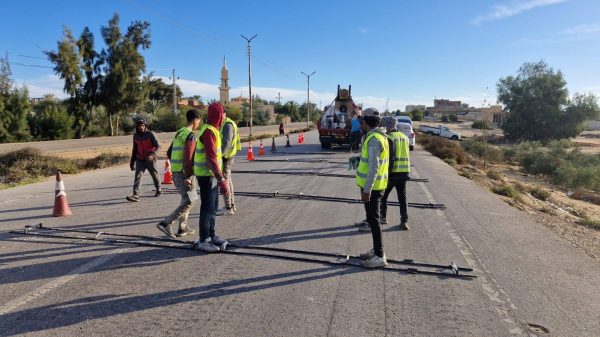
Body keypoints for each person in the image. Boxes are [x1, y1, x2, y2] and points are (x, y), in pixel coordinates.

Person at [156, 110, 202, 238]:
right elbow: (189, 158)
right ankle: (166, 223)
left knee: (185, 199)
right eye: (199, 121)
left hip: (176, 171)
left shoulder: (179, 133)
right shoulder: (190, 135)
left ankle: (182, 228)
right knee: (191, 200)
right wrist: (188, 176)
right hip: (185, 173)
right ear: (194, 120)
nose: (199, 123)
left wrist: (175, 167)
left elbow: (170, 152)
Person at [355, 108, 389, 268]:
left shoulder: (374, 139)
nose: (360, 124)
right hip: (374, 186)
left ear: (367, 122)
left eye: (362, 122)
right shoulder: (377, 137)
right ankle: (376, 250)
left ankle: (380, 256)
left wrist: (367, 189)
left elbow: (374, 167)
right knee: (373, 219)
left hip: (373, 187)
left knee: (374, 221)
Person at [194, 102, 230, 253]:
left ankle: (211, 235)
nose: (223, 118)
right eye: (222, 115)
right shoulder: (209, 132)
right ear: (218, 116)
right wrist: (221, 179)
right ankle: (204, 240)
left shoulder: (213, 130)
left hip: (211, 175)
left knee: (212, 207)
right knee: (207, 209)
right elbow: (211, 157)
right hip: (206, 176)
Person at [380, 116, 410, 230]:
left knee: (383, 196)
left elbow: (390, 158)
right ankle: (404, 221)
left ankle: (382, 217)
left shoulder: (389, 138)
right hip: (404, 172)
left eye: (383, 125)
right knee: (402, 197)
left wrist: (385, 173)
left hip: (392, 173)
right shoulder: (404, 137)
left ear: (387, 126)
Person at [126, 119, 161, 202]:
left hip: (150, 159)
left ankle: (159, 189)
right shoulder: (135, 136)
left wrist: (152, 155)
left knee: (154, 174)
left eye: (142, 125)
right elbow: (135, 149)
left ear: (145, 126)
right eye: (139, 126)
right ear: (137, 127)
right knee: (138, 176)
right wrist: (132, 162)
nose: (141, 127)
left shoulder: (151, 134)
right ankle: (136, 194)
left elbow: (158, 146)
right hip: (140, 159)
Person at [217, 108, 241, 215]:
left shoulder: (227, 125)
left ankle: (228, 208)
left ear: (224, 114)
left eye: (220, 114)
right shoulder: (225, 123)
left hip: (226, 157)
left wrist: (219, 156)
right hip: (228, 156)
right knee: (228, 180)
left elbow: (227, 142)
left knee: (225, 181)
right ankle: (231, 205)